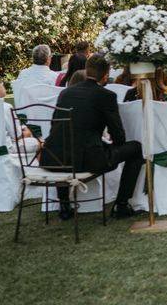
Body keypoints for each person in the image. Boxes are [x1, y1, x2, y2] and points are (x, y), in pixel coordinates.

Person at [40, 54, 144, 219]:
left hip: (53, 157)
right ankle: (121, 205)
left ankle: (64, 205)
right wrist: (108, 143)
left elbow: (56, 127)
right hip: (86, 160)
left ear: (86, 70)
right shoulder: (106, 96)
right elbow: (119, 137)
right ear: (105, 75)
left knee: (66, 141)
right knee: (137, 148)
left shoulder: (66, 93)